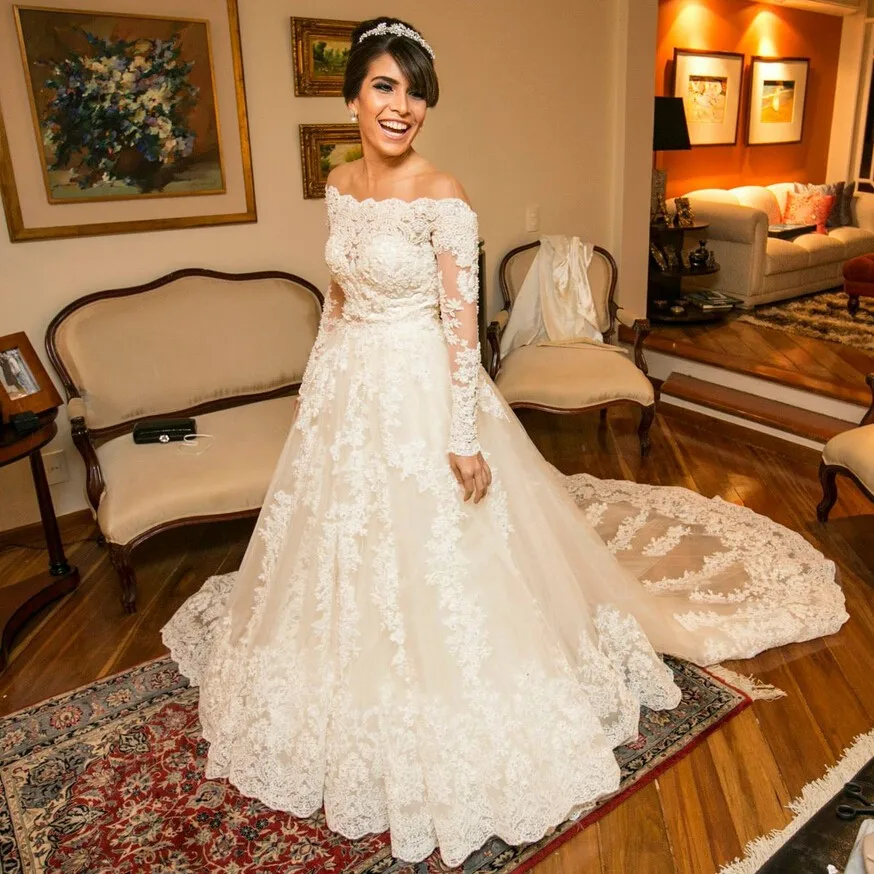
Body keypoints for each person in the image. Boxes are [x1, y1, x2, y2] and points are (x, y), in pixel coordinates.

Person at [163, 17, 847, 867]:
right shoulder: (340, 184)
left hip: (422, 384)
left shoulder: (442, 192)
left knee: (437, 549)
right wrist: (319, 383)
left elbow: (459, 324)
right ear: (352, 98)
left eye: (416, 92)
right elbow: (339, 291)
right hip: (348, 388)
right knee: (346, 541)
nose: (401, 106)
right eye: (384, 87)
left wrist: (461, 435)